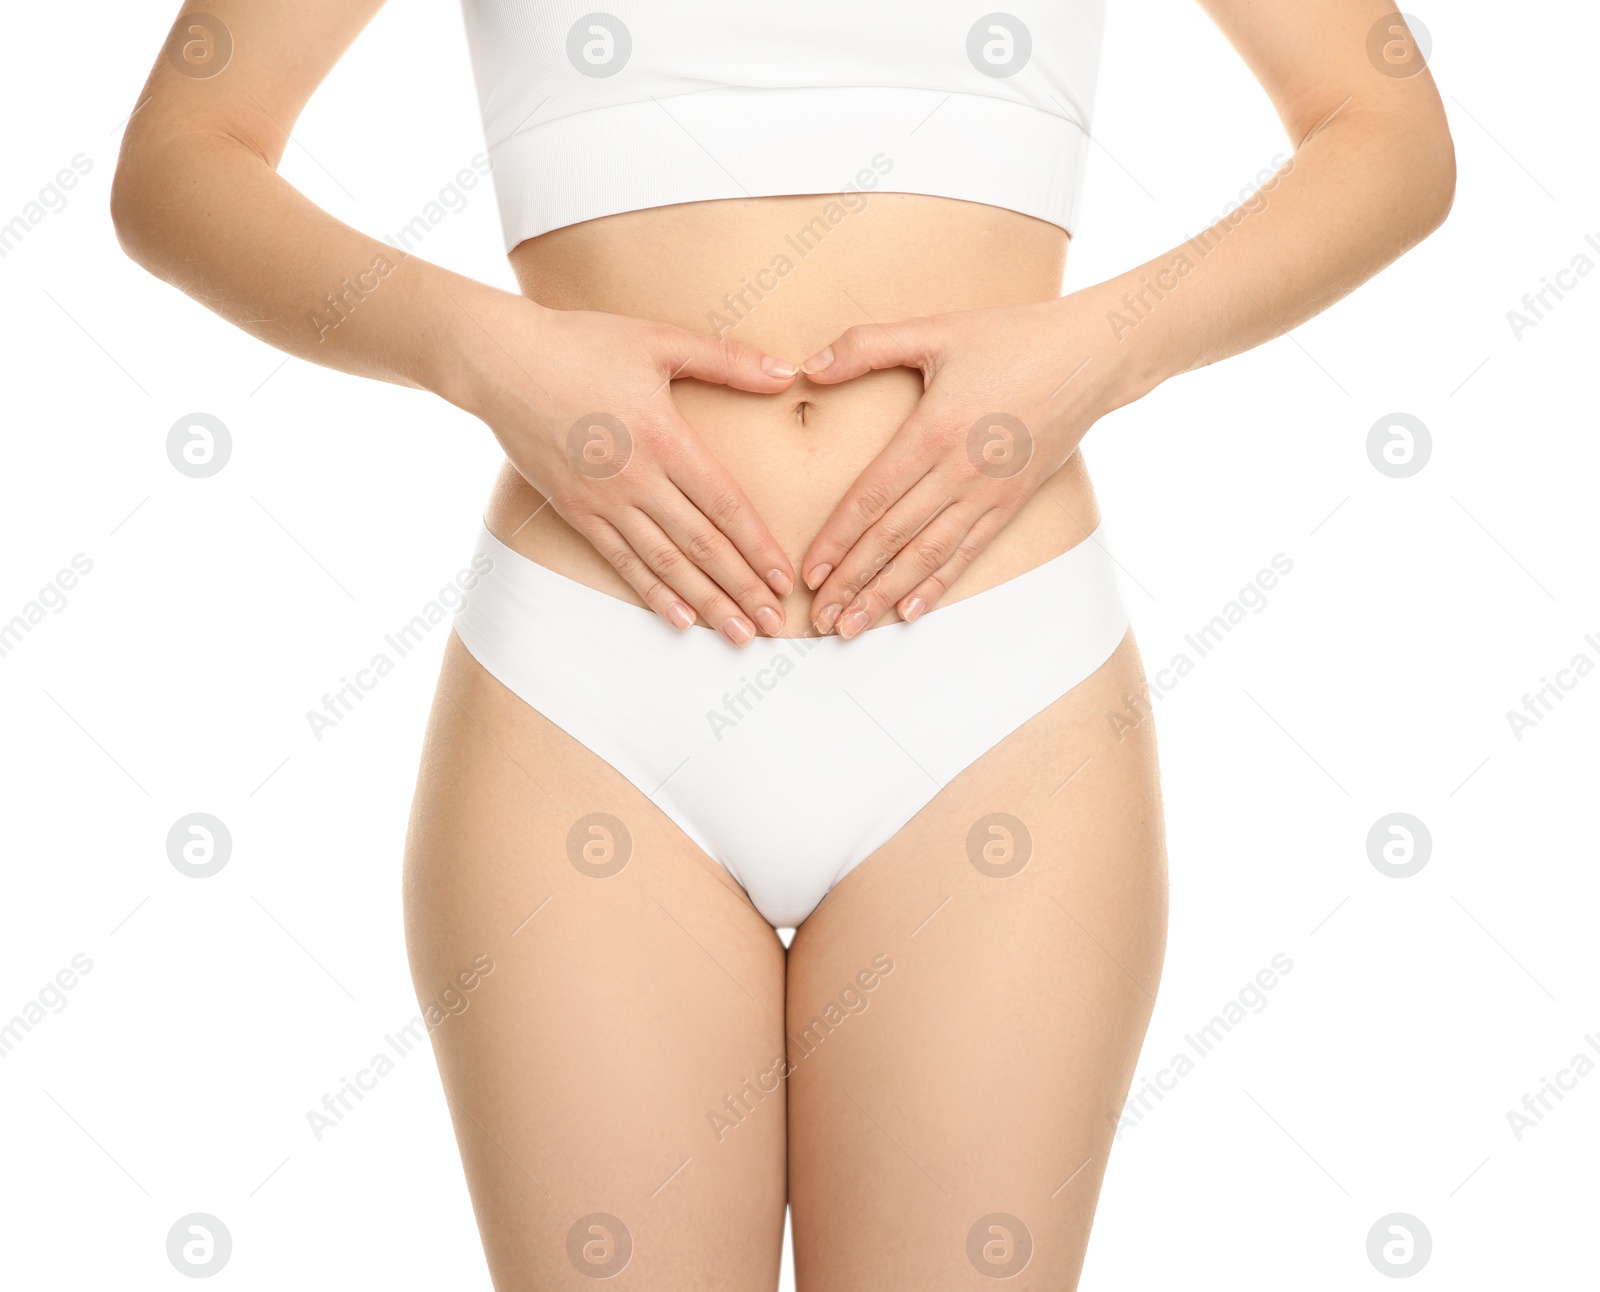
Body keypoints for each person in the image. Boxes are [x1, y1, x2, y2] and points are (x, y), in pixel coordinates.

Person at [112, 3, 1453, 1286]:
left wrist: (1095, 355)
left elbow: (1387, 132)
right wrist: (485, 356)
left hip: (997, 686)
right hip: (592, 699)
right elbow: (183, 158)